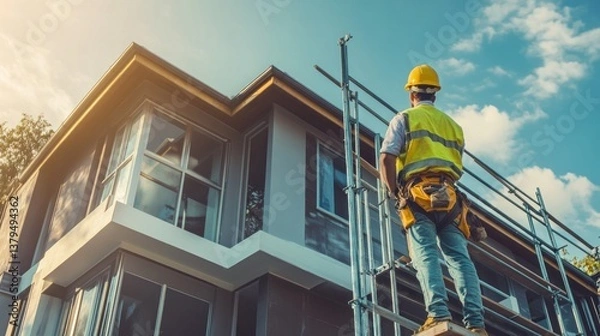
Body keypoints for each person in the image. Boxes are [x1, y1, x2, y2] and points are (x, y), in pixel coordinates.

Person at [378, 64, 488, 335]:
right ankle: (476, 324)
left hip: (417, 194)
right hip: (450, 198)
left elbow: (386, 157)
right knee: (460, 259)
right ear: (435, 94)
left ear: (411, 94)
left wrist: (394, 192)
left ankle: (438, 314)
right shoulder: (454, 126)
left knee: (425, 253)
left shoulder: (404, 118)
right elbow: (455, 163)